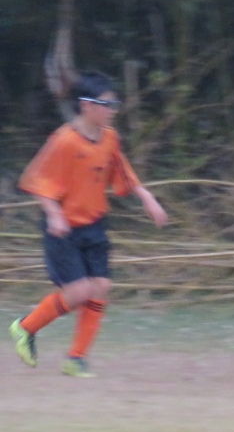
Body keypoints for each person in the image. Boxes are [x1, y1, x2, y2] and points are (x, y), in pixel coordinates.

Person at [10, 71, 169, 376]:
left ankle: (76, 358)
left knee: (101, 287)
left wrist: (147, 197)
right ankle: (25, 328)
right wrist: (54, 213)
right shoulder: (64, 141)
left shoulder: (109, 138)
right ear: (86, 105)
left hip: (94, 224)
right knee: (79, 292)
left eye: (114, 104)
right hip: (64, 230)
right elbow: (38, 181)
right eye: (107, 104)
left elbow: (123, 172)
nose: (112, 110)